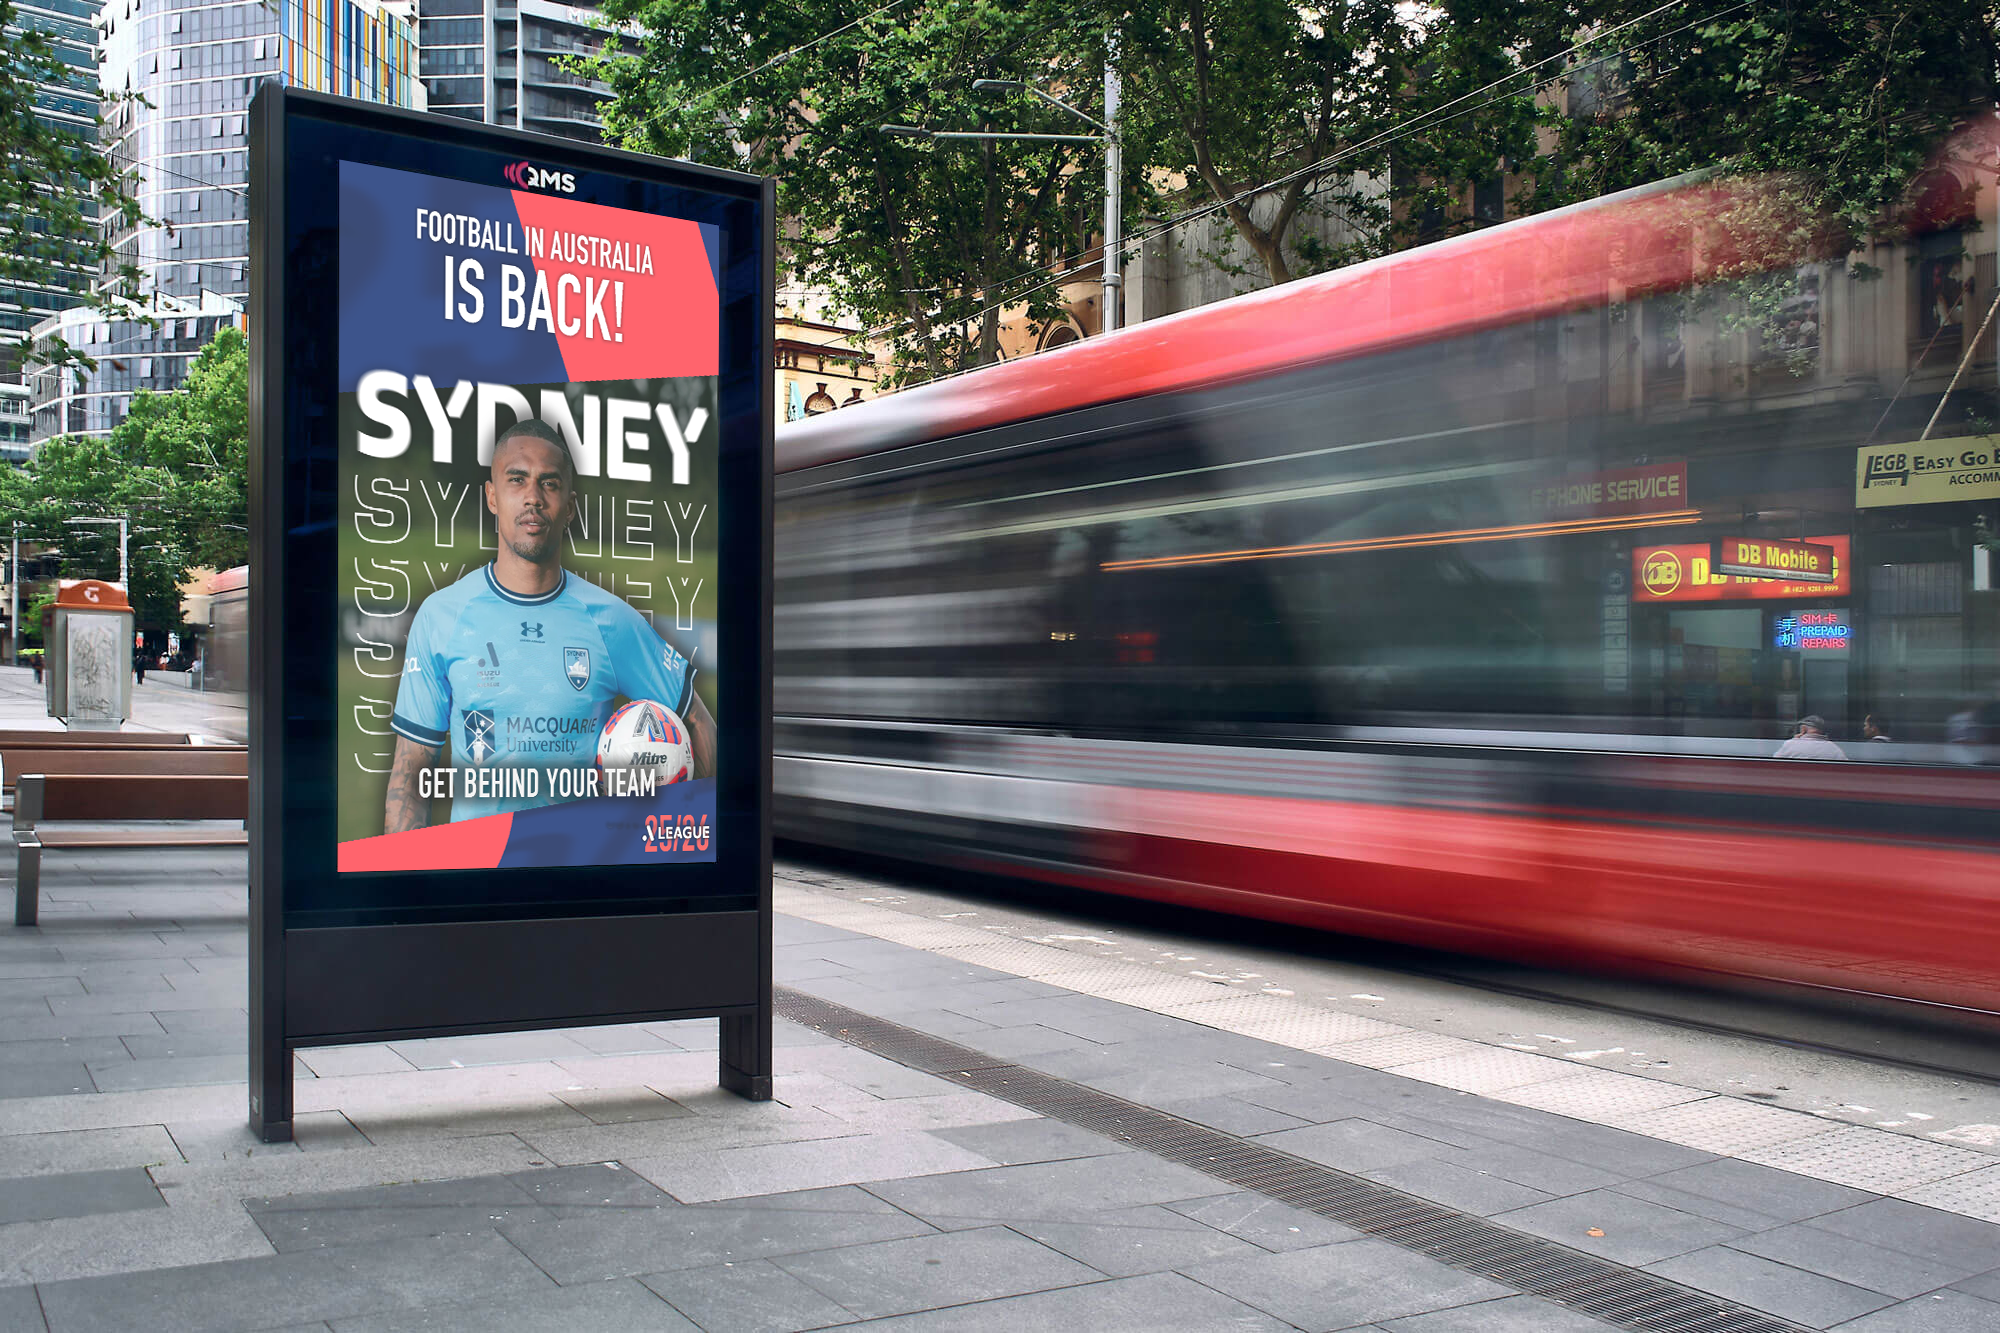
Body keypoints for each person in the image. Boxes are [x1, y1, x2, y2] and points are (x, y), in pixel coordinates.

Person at [381, 420, 717, 833]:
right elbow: (410, 775)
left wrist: (683, 829)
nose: (533, 497)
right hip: (479, 867)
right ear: (492, 496)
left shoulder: (610, 620)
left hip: (581, 867)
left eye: (549, 484)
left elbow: (698, 722)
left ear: (570, 507)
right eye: (517, 480)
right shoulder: (441, 617)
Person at [1775, 715, 1846, 760]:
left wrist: (1795, 740)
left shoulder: (1790, 744)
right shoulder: (1834, 748)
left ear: (1803, 729)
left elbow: (1776, 762)